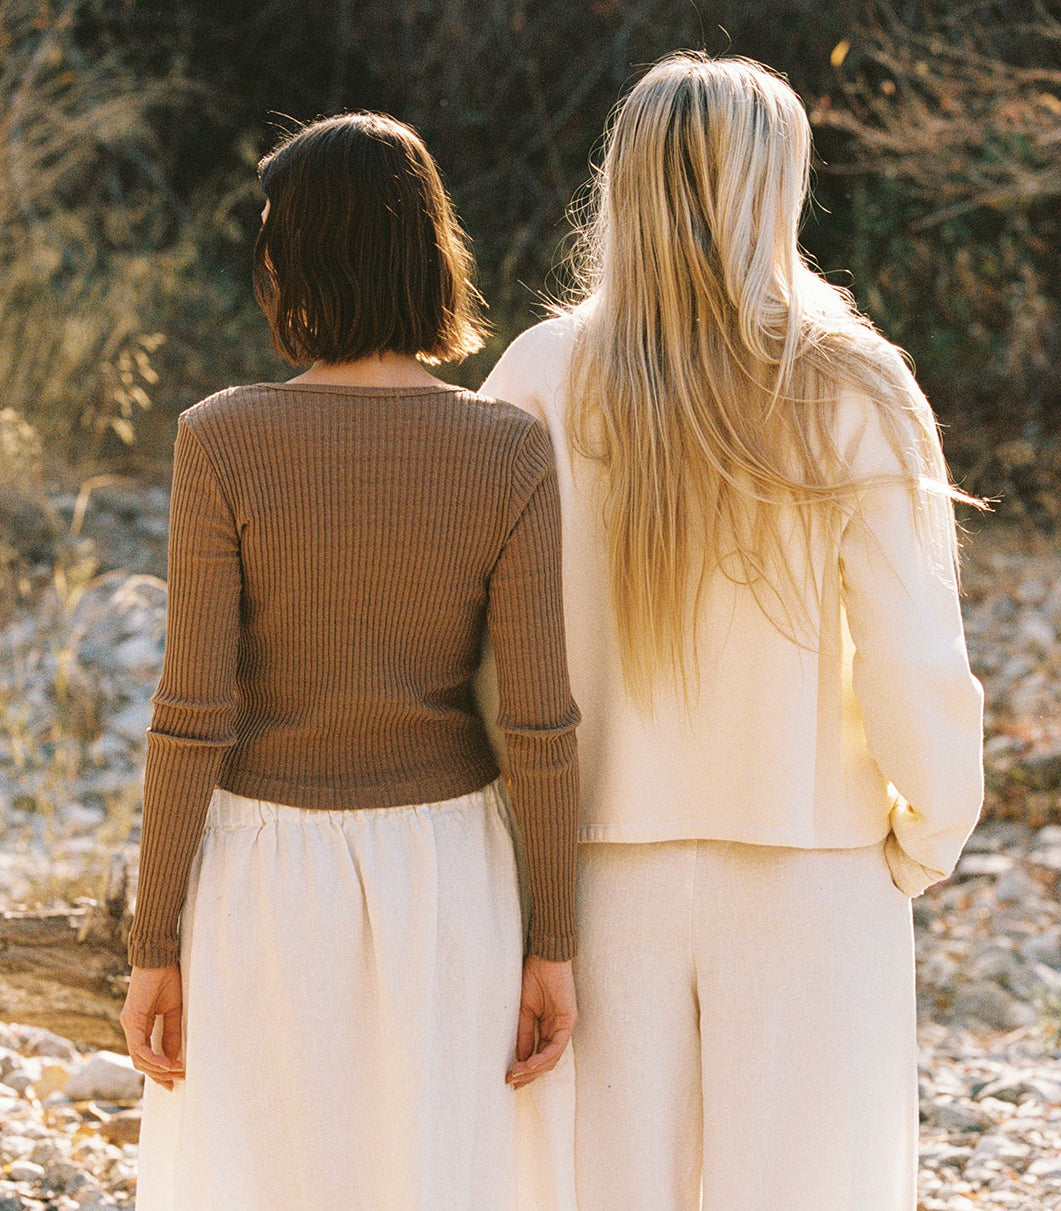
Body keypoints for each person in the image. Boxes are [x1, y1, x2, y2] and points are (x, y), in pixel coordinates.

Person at [481, 52, 984, 1211]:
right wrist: (924, 833)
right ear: (778, 184)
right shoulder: (854, 385)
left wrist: (510, 853)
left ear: (625, 186)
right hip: (811, 870)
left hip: (591, 879)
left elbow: (478, 646)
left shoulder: (538, 376)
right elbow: (914, 655)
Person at [120, 111, 580, 1211]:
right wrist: (552, 941)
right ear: (428, 251)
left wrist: (153, 942)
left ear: (297, 260)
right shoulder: (505, 446)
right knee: (431, 1170)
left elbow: (192, 712)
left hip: (262, 873)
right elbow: (538, 723)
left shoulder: (220, 437)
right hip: (450, 874)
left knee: (261, 1173)